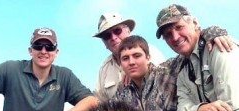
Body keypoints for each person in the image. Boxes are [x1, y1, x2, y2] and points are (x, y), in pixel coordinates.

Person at [93, 12, 233, 103]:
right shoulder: (104, 68)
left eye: (117, 31)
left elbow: (181, 60)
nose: (113, 37)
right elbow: (99, 102)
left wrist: (211, 32)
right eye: (107, 36)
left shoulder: (154, 54)